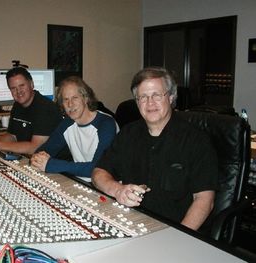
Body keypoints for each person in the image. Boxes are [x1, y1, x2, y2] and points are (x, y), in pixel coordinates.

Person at [92, 67, 218, 231]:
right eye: (143, 97)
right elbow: (98, 173)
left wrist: (179, 237)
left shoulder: (196, 140)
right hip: (130, 223)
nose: (150, 103)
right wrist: (117, 190)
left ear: (171, 97)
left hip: (175, 230)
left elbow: (204, 199)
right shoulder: (128, 133)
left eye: (157, 95)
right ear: (137, 102)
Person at [30, 76, 118, 182]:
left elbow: (98, 168)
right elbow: (45, 150)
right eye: (65, 99)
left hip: (108, 185)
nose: (70, 104)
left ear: (85, 99)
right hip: (81, 182)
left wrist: (50, 164)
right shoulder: (67, 123)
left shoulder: (106, 124)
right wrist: (37, 159)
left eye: (75, 98)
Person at [0, 67, 63, 155]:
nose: (18, 91)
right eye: (13, 88)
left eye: (22, 85)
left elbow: (35, 148)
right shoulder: (17, 105)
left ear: (31, 84)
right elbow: (12, 136)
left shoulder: (46, 108)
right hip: (30, 158)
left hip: (51, 163)